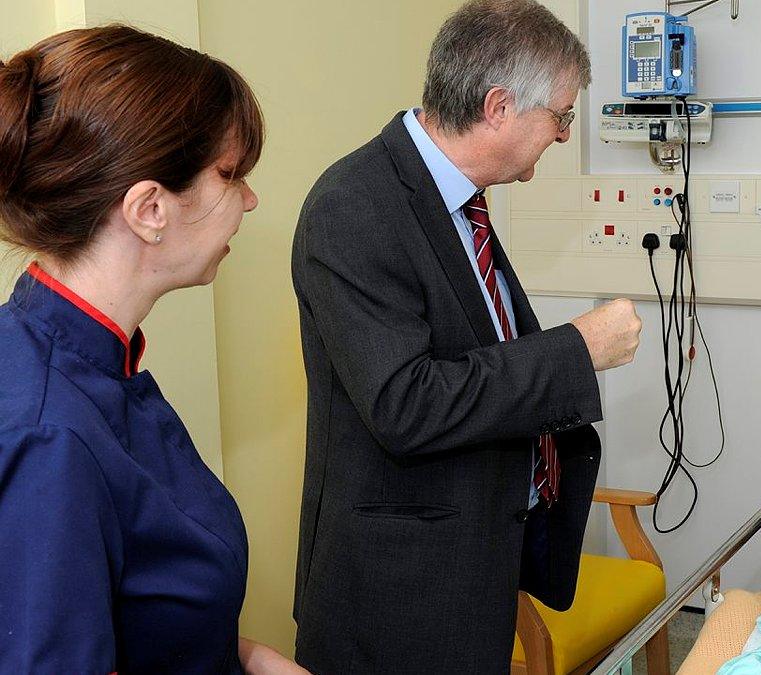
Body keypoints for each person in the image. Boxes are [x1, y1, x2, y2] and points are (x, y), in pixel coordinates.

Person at [290, 0, 642, 672]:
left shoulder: (458, 200)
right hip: (397, 596)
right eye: (562, 115)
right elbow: (406, 404)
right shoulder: (354, 206)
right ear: (501, 106)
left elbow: (476, 359)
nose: (565, 135)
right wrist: (578, 349)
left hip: (473, 565)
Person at [0, 25, 303, 673]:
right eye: (230, 173)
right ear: (149, 209)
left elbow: (135, 611)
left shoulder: (101, 360)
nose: (250, 199)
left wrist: (244, 656)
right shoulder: (52, 430)